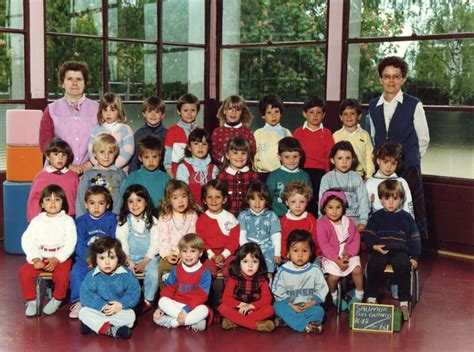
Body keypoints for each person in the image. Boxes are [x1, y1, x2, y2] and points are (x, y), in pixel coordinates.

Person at [368, 56, 430, 237]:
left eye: (396, 76)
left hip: (408, 167)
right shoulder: (373, 105)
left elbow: (423, 139)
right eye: (387, 76)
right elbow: (374, 136)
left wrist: (411, 160)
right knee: (384, 206)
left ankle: (412, 250)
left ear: (403, 79)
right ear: (381, 79)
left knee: (410, 209)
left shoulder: (414, 104)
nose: (391, 80)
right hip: (384, 169)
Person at [363, 179, 421, 320]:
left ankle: (404, 302)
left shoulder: (406, 218)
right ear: (381, 200)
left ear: (401, 200)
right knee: (374, 265)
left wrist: (414, 257)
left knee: (403, 265)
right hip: (380, 249)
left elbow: (415, 238)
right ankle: (371, 297)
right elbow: (368, 234)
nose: (390, 202)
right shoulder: (376, 216)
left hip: (400, 250)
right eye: (386, 198)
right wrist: (374, 246)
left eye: (395, 199)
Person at [19, 185, 77, 316]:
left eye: (57, 199)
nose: (52, 203)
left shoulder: (67, 221)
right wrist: (35, 258)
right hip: (41, 256)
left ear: (63, 203)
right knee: (24, 272)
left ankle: (57, 299)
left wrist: (57, 258)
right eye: (48, 200)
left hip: (60, 256)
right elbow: (27, 240)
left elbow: (70, 243)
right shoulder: (37, 221)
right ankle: (31, 300)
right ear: (42, 204)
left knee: (63, 276)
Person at [39, 61, 98, 175]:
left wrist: (89, 164)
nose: (74, 83)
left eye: (79, 79)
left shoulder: (98, 109)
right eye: (70, 79)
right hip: (58, 170)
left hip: (91, 170)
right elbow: (45, 142)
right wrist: (67, 165)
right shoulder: (51, 109)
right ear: (62, 83)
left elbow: (104, 140)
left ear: (85, 83)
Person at [69, 186, 117, 319]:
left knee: (110, 275)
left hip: (106, 259)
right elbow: (78, 244)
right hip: (85, 259)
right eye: (92, 203)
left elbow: (114, 241)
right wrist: (89, 258)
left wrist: (102, 260)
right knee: (76, 273)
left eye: (101, 203)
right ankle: (78, 302)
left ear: (107, 205)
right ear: (85, 204)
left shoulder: (112, 220)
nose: (96, 207)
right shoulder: (81, 222)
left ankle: (104, 303)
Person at [78, 237, 140, 339]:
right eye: (102, 258)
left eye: (112, 258)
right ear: (95, 260)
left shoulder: (126, 274)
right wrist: (102, 306)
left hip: (118, 310)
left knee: (131, 316)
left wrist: (121, 304)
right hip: (99, 310)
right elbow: (85, 294)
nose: (107, 263)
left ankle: (93, 325)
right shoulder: (92, 275)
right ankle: (111, 330)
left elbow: (134, 293)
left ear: (118, 258)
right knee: (83, 312)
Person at [272, 230, 328, 334]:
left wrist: (312, 302)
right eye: (295, 251)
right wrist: (290, 304)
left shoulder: (315, 270)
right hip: (289, 305)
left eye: (305, 251)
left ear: (311, 252)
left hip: (308, 307)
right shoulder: (283, 270)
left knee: (319, 312)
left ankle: (289, 321)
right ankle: (306, 325)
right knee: (277, 306)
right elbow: (276, 289)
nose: (300, 255)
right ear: (288, 253)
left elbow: (322, 288)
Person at [153, 233, 212, 332]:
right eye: (184, 251)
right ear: (180, 252)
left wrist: (186, 310)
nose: (188, 255)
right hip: (176, 305)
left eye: (193, 251)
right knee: (162, 301)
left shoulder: (205, 272)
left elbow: (202, 296)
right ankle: (193, 322)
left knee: (204, 310)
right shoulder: (176, 269)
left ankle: (173, 322)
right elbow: (168, 290)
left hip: (193, 306)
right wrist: (161, 309)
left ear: (200, 253)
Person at [317, 190, 363, 311]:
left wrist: (348, 255)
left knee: (357, 270)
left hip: (348, 252)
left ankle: (359, 294)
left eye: (338, 207)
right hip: (330, 255)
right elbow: (324, 244)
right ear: (324, 208)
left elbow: (354, 239)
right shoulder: (322, 223)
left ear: (343, 208)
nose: (334, 211)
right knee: (334, 277)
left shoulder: (348, 222)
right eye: (330, 207)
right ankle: (334, 296)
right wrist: (337, 260)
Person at [116, 184, 160, 311]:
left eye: (139, 200)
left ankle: (148, 299)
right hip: (129, 257)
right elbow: (122, 242)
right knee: (122, 272)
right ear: (126, 203)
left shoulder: (152, 221)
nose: (135, 205)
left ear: (146, 202)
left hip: (149, 257)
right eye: (131, 201)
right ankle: (129, 299)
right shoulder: (123, 221)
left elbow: (155, 244)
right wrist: (128, 261)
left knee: (153, 272)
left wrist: (145, 261)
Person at [218, 243, 275, 332]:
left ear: (260, 263)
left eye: (254, 261)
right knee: (222, 308)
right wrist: (242, 305)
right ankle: (256, 326)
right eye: (245, 261)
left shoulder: (262, 280)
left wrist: (251, 306)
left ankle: (236, 322)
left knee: (270, 309)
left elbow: (267, 299)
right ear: (239, 263)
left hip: (254, 311)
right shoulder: (234, 278)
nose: (250, 265)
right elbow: (226, 299)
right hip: (238, 310)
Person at [293, 96, 335, 209]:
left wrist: (327, 173)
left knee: (318, 200)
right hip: (302, 171)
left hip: (320, 173)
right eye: (311, 112)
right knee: (302, 199)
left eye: (318, 112)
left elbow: (329, 155)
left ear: (324, 115)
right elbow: (294, 153)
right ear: (304, 114)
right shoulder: (298, 132)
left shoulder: (327, 133)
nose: (315, 116)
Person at [319, 141, 370, 233]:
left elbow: (363, 200)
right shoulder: (327, 178)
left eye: (348, 158)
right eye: (339, 158)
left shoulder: (356, 177)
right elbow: (322, 202)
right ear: (332, 160)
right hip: (333, 221)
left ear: (353, 159)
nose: (344, 162)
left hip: (355, 221)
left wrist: (363, 221)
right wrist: (322, 221)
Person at [157, 180, 199, 288]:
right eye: (175, 198)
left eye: (183, 196)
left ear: (188, 197)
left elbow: (192, 237)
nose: (180, 201)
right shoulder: (165, 217)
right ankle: (166, 296)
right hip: (169, 254)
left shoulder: (192, 215)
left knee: (190, 272)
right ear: (168, 200)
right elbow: (163, 239)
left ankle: (185, 296)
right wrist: (167, 255)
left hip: (187, 253)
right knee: (164, 270)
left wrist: (184, 253)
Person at [196, 179, 240, 278]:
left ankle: (229, 293)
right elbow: (201, 241)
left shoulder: (231, 218)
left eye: (218, 197)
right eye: (210, 197)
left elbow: (234, 240)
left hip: (228, 254)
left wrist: (224, 255)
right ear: (204, 200)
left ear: (224, 199)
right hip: (208, 255)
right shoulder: (201, 220)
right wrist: (212, 256)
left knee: (231, 270)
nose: (213, 201)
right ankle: (210, 293)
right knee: (207, 272)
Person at [27, 138, 79, 222]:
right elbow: (33, 201)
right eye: (56, 154)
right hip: (46, 218)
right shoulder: (40, 177)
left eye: (64, 155)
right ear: (48, 156)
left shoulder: (73, 177)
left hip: (69, 218)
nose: (60, 158)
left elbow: (79, 200)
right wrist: (34, 221)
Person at [76, 134, 126, 216]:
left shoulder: (120, 174)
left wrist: (120, 217)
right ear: (95, 154)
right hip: (91, 218)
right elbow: (81, 199)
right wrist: (81, 220)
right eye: (102, 152)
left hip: (114, 218)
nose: (106, 156)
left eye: (110, 152)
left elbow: (124, 198)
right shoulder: (88, 174)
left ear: (116, 154)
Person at [238, 182, 282, 273]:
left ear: (266, 200)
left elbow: (276, 236)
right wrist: (248, 251)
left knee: (269, 261)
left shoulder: (271, 216)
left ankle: (268, 281)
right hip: (249, 249)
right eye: (253, 199)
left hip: (267, 249)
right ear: (247, 200)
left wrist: (277, 254)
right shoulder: (243, 216)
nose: (257, 203)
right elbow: (242, 237)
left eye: (261, 199)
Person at [88, 92, 134, 171]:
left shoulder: (125, 129)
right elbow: (91, 152)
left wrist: (113, 167)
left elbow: (128, 152)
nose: (108, 114)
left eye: (112, 110)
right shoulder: (96, 130)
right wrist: (101, 167)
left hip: (120, 171)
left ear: (119, 111)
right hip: (100, 171)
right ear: (101, 112)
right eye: (105, 110)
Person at [121, 135, 170, 208]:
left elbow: (170, 199)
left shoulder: (165, 177)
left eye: (154, 157)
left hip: (160, 214)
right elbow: (124, 197)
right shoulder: (133, 176)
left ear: (160, 157)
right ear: (140, 158)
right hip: (138, 213)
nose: (151, 161)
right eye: (146, 157)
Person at [266, 137, 311, 217]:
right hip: (278, 218)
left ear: (300, 156)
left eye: (295, 157)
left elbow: (308, 199)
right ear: (279, 156)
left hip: (299, 217)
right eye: (287, 157)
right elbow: (268, 199)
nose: (291, 160)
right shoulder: (274, 176)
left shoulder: (305, 176)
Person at [366, 142, 414, 216]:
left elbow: (408, 206)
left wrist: (409, 224)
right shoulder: (370, 183)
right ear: (378, 160)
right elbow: (365, 209)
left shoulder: (401, 182)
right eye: (385, 162)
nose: (389, 166)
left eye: (393, 163)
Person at [216, 136, 259, 216]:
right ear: (228, 155)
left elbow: (259, 196)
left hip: (248, 215)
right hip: (227, 215)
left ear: (248, 155)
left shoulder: (253, 175)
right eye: (235, 153)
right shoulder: (222, 176)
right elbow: (217, 196)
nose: (239, 157)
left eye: (243, 153)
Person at [176, 128, 219, 207]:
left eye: (204, 144)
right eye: (196, 144)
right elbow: (182, 191)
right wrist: (193, 205)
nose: (200, 147)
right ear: (189, 147)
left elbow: (216, 191)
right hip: (190, 207)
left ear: (209, 147)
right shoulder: (183, 167)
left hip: (210, 207)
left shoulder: (213, 168)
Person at [333, 98, 375, 179]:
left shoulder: (365, 135)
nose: (349, 117)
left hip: (360, 175)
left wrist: (369, 175)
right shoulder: (336, 135)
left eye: (352, 113)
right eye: (345, 114)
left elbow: (369, 156)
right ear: (340, 117)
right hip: (340, 175)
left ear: (359, 116)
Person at [211, 95, 256, 168]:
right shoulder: (218, 131)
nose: (233, 112)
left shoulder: (247, 132)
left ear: (242, 113)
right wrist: (226, 160)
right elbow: (214, 150)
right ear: (224, 111)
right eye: (230, 109)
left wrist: (240, 160)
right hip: (222, 169)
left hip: (243, 167)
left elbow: (252, 150)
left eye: (237, 110)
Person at [253, 94, 292, 181]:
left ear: (281, 113)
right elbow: (253, 155)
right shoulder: (258, 133)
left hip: (281, 173)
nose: (273, 116)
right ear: (263, 115)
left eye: (276, 112)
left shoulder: (286, 132)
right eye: (269, 112)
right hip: (262, 174)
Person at [164, 93, 200, 178]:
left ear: (197, 112)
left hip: (196, 174)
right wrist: (169, 172)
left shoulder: (200, 130)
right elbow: (168, 153)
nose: (189, 113)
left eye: (193, 110)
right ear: (178, 111)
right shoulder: (172, 131)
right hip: (176, 173)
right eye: (185, 110)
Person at [280, 180, 319, 259]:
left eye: (302, 202)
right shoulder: (284, 221)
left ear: (307, 202)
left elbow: (315, 240)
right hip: (289, 257)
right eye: (293, 201)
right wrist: (285, 255)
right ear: (287, 202)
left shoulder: (310, 220)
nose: (298, 205)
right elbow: (282, 241)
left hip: (307, 256)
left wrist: (313, 254)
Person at [129, 96, 168, 173]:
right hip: (142, 174)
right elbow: (134, 160)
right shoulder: (139, 134)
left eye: (157, 112)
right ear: (144, 114)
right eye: (149, 111)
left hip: (162, 174)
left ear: (163, 115)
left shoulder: (167, 134)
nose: (153, 115)